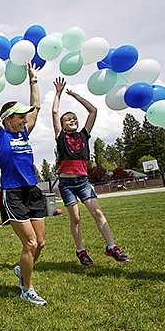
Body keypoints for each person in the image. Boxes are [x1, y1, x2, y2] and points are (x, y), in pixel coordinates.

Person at [0, 53, 46, 306]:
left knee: (40, 244)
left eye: (25, 117)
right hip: (12, 193)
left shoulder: (25, 133)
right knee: (31, 243)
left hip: (32, 191)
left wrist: (33, 81)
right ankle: (27, 289)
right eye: (19, 116)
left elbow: (36, 106)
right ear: (8, 119)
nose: (25, 119)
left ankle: (21, 270)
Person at [51, 76, 130, 266]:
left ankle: (111, 247)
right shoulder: (60, 137)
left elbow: (93, 110)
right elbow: (54, 111)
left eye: (74, 118)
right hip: (67, 184)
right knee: (75, 218)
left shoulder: (84, 135)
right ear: (62, 125)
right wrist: (59, 93)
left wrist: (76, 95)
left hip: (83, 182)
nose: (72, 120)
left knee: (98, 213)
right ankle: (81, 251)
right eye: (67, 119)